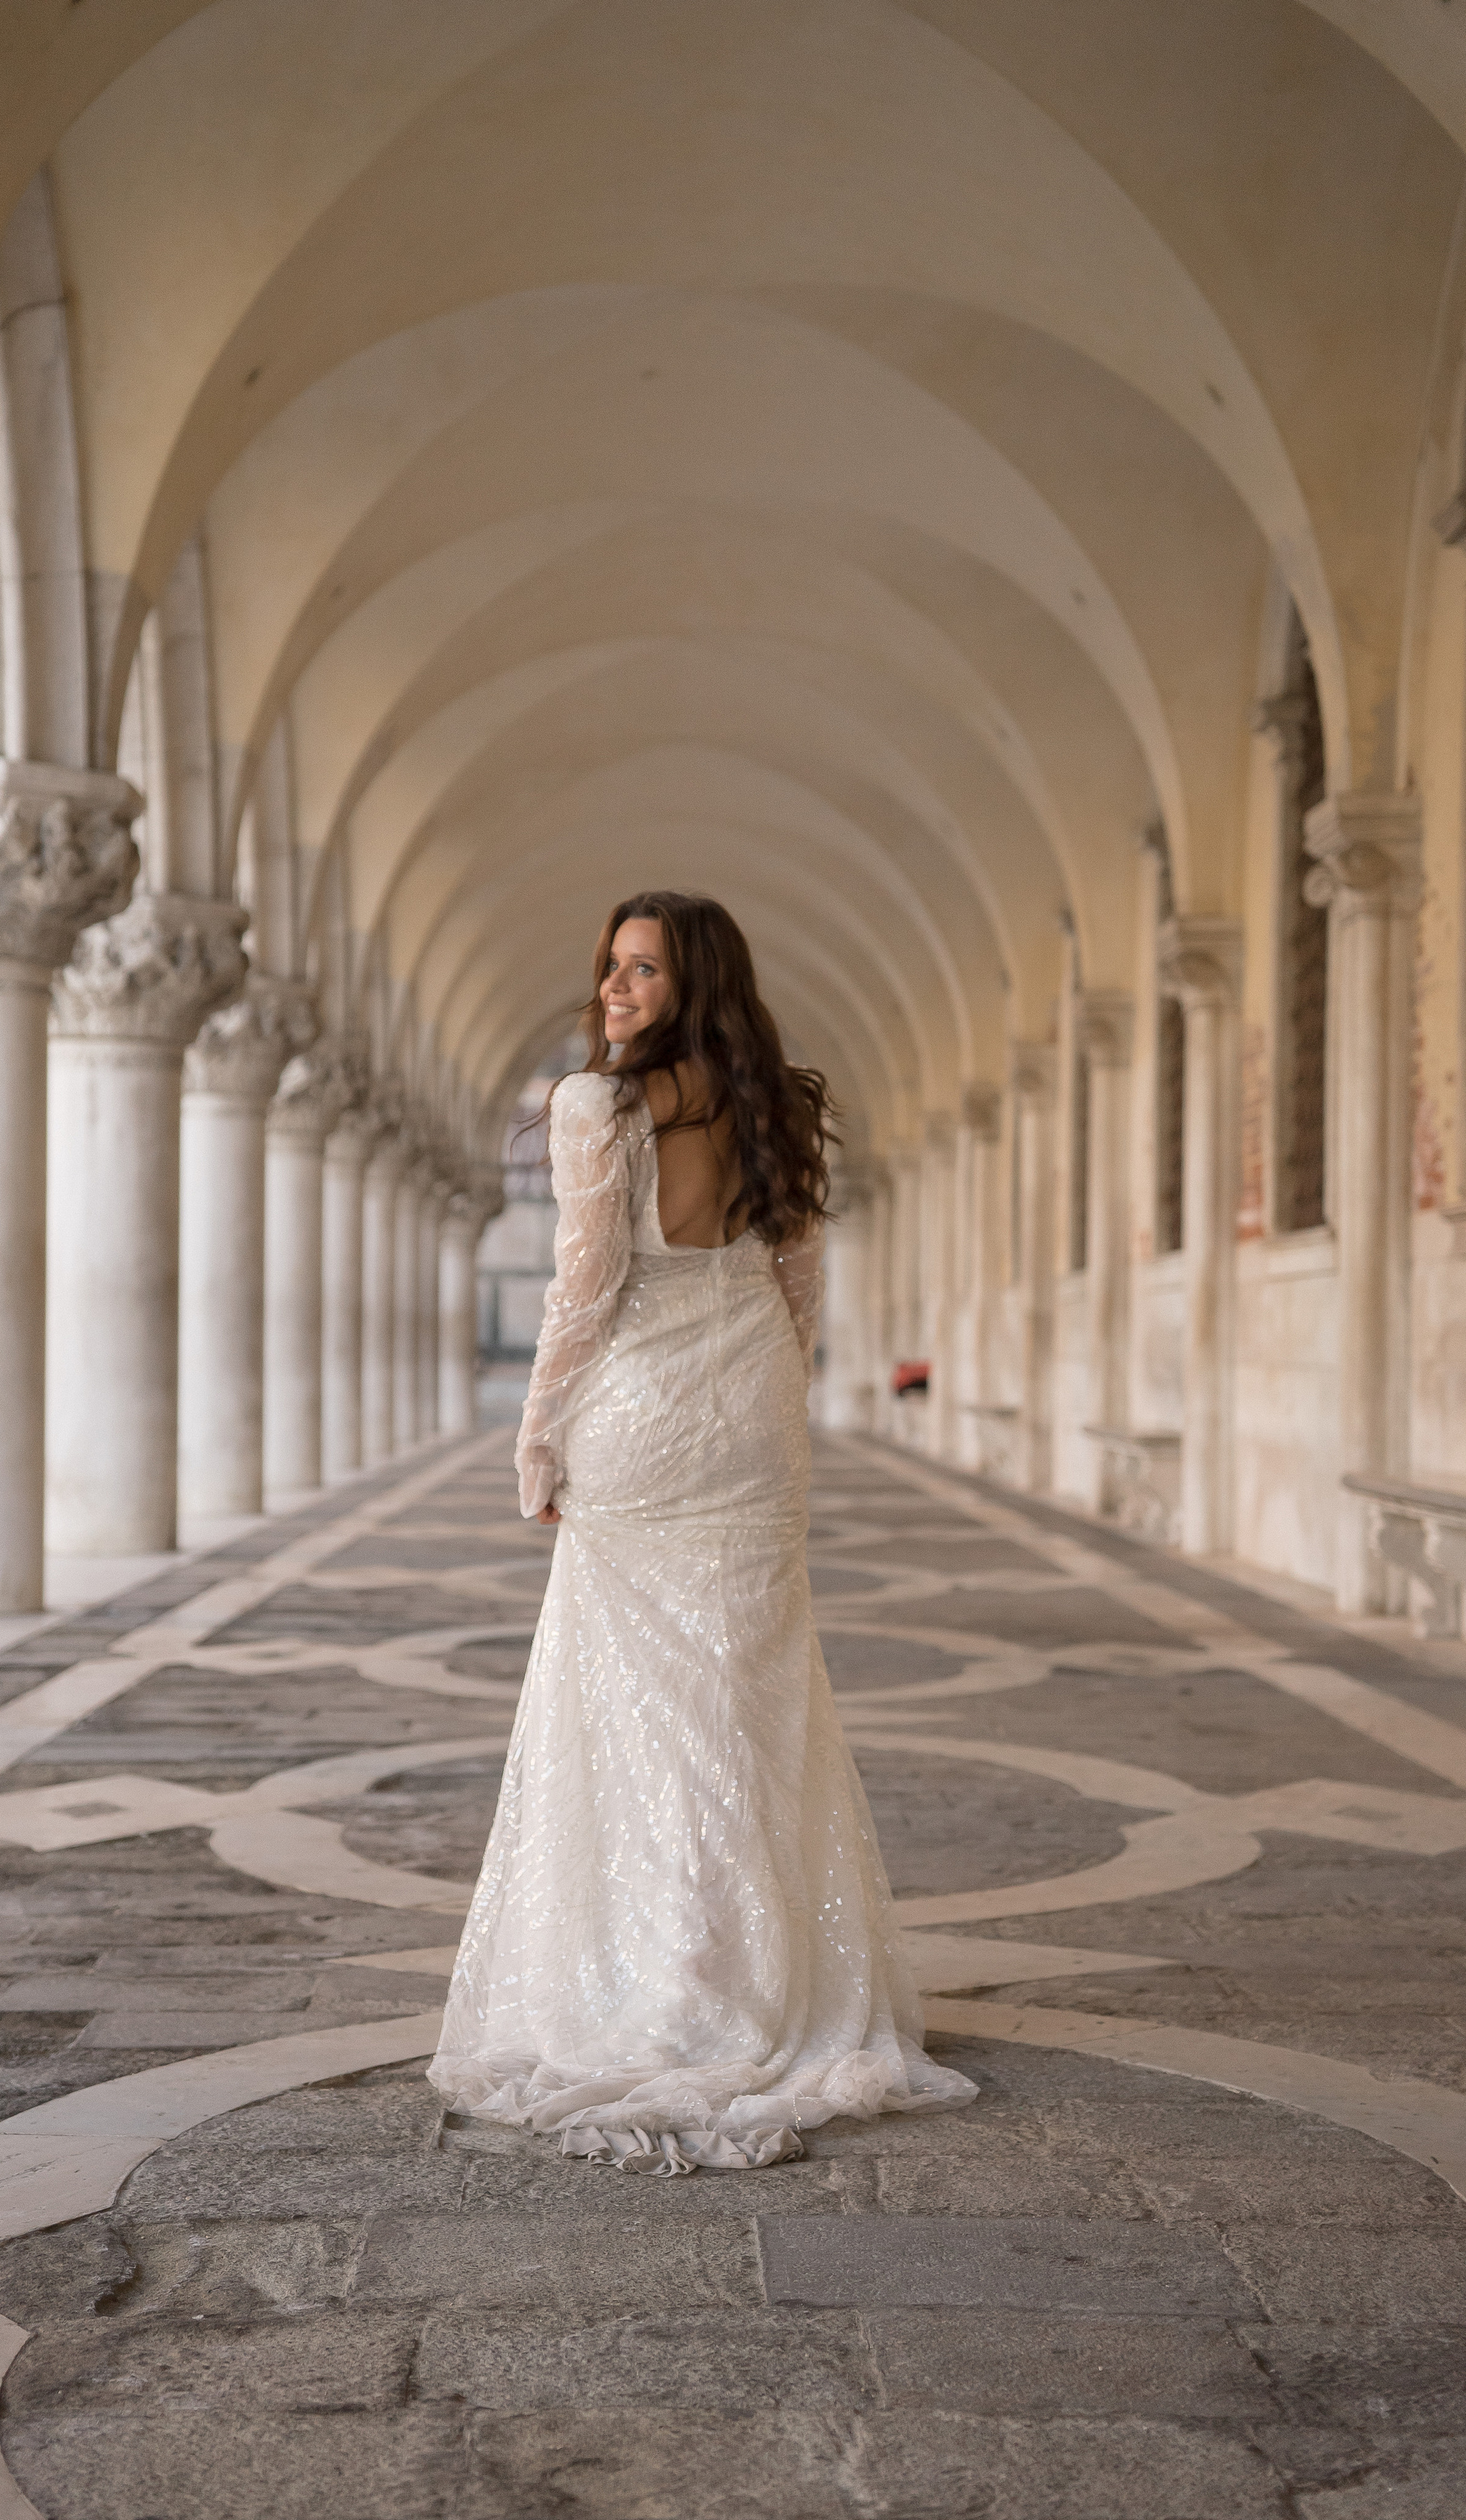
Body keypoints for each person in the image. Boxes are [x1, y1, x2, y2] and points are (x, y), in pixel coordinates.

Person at [428, 892, 977, 2171]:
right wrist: (766, 1399)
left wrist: (536, 1433)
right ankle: (756, 1987)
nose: (613, 989)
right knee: (745, 1707)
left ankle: (664, 1990)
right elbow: (798, 1287)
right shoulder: (777, 1105)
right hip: (749, 1421)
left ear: (691, 985)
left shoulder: (596, 1108)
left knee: (629, 1711)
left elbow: (585, 1287)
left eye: (641, 971)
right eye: (609, 966)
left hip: (638, 1417)